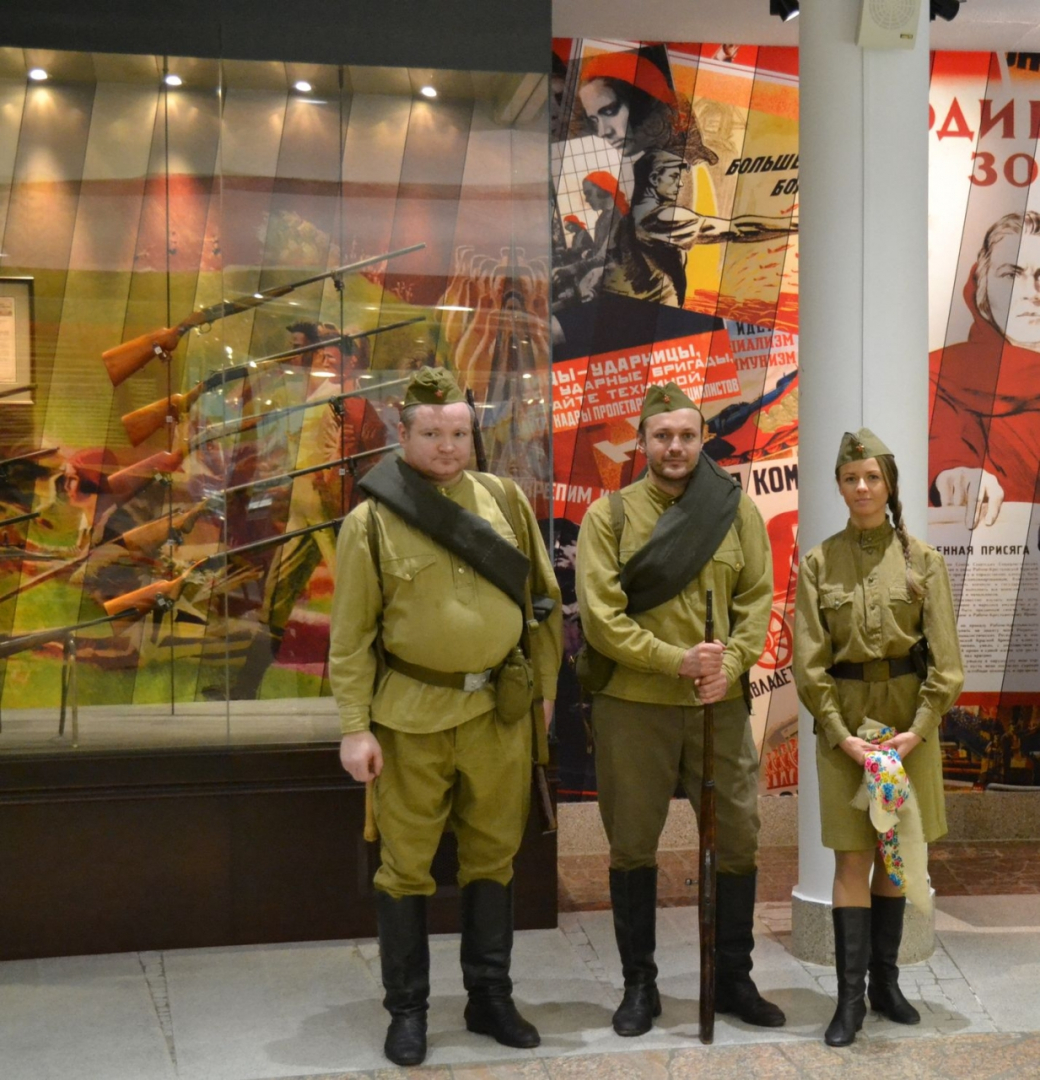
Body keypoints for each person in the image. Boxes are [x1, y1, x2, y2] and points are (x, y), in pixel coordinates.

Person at [330, 367, 562, 1067]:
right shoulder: (372, 521)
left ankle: (490, 998)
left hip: (498, 714)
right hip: (410, 721)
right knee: (405, 869)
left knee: (494, 858)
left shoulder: (503, 501)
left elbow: (543, 601)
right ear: (404, 436)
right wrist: (354, 726)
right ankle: (408, 1011)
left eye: (459, 432)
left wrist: (545, 693)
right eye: (432, 433)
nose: (448, 446)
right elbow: (351, 637)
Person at [576, 381, 783, 1036]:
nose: (675, 447)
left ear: (702, 439)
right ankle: (640, 986)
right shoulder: (608, 518)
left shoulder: (735, 511)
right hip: (634, 705)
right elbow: (602, 621)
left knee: (739, 836)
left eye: (687, 436)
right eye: (662, 435)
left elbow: (756, 599)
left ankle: (733, 979)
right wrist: (677, 661)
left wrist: (727, 664)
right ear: (642, 441)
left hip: (717, 704)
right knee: (633, 842)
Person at [793, 428, 964, 1047]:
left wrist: (916, 734)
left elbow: (946, 664)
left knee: (895, 853)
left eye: (871, 478)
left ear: (888, 485)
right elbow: (809, 665)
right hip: (846, 725)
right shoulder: (818, 563)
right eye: (850, 478)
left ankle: (885, 985)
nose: (861, 488)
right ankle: (849, 1001)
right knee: (852, 855)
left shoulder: (923, 561)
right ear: (839, 487)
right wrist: (843, 737)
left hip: (907, 721)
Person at [230, 323, 386, 699]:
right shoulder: (317, 393)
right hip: (304, 508)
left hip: (331, 509)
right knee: (276, 598)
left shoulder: (353, 401)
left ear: (356, 359)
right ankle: (243, 689)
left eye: (342, 348)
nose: (329, 353)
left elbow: (364, 458)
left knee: (359, 599)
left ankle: (382, 686)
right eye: (327, 346)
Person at [930, 211, 1040, 523]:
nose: (1031, 293)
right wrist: (955, 475)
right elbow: (942, 443)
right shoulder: (941, 373)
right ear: (982, 285)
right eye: (1011, 275)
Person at [604, 149, 799, 308]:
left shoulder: (625, 220)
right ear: (654, 179)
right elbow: (737, 229)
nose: (680, 183)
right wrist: (793, 224)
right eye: (674, 176)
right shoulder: (660, 217)